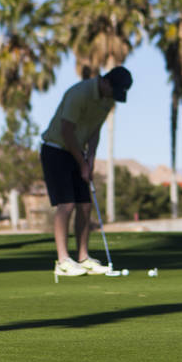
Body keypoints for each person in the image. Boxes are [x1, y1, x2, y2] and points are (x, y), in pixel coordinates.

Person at [40, 66, 133, 276]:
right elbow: (66, 130)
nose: (114, 96)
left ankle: (83, 257)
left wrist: (89, 159)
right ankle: (62, 260)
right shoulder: (79, 93)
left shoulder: (108, 100)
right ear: (106, 82)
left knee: (85, 205)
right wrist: (81, 162)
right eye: (114, 90)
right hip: (55, 149)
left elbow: (94, 131)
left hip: (76, 153)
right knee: (67, 204)